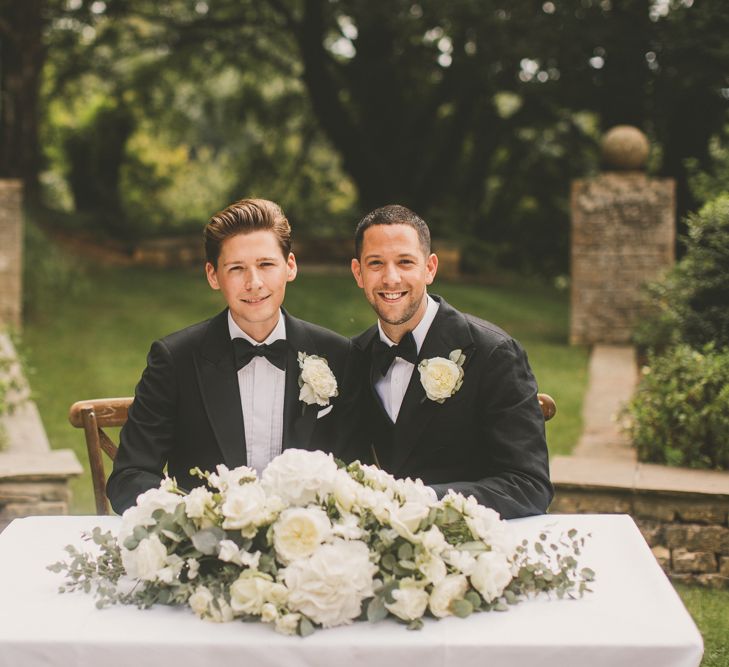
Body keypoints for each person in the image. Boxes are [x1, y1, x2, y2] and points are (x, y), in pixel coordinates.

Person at [107, 198, 363, 513]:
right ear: (213, 276)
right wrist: (194, 520)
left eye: (266, 265)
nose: (254, 283)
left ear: (290, 266)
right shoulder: (175, 360)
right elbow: (130, 477)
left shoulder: (338, 355)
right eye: (237, 268)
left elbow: (356, 474)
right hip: (208, 549)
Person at [350, 204, 553, 519]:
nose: (391, 278)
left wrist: (425, 499)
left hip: (472, 551)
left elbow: (528, 485)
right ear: (358, 273)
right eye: (376, 263)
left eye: (405, 262)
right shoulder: (353, 358)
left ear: (430, 268)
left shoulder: (494, 354)